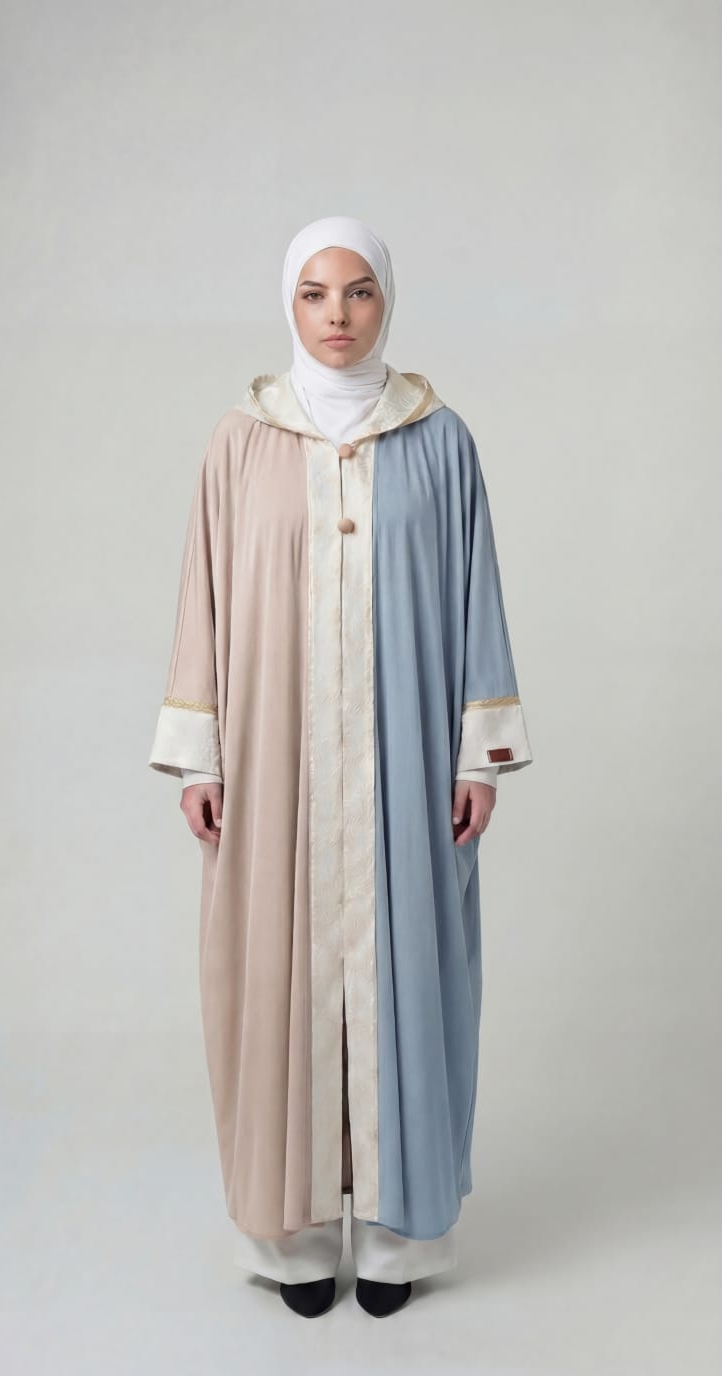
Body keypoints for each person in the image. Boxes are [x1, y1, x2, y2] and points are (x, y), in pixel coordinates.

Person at [148, 215, 533, 1318]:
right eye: (315, 293)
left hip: (406, 764)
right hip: (274, 766)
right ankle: (296, 1239)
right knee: (274, 978)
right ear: (289, 303)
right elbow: (203, 599)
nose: (337, 315)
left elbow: (477, 596)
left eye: (359, 292)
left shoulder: (440, 441)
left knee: (414, 973)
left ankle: (403, 1241)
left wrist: (478, 757)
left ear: (386, 303)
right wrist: (201, 758)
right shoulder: (241, 443)